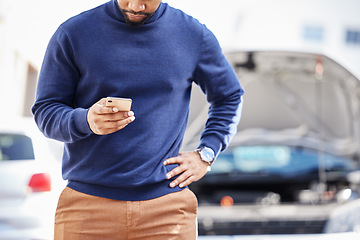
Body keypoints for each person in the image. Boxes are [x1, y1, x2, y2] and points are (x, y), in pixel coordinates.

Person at [32, 0, 244, 239]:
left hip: (167, 210)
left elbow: (229, 96)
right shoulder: (72, 34)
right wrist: (86, 120)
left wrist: (207, 153)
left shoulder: (194, 35)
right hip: (87, 209)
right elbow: (46, 111)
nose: (135, 5)